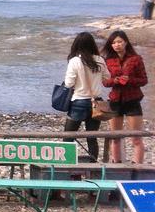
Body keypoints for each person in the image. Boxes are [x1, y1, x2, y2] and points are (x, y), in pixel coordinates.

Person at [62, 31, 110, 162]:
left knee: (68, 136)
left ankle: (66, 163)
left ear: (76, 45)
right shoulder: (100, 60)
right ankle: (93, 164)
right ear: (92, 45)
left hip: (79, 102)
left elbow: (68, 83)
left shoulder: (75, 61)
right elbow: (107, 78)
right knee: (92, 137)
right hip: (97, 103)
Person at [101, 30, 148, 163]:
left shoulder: (136, 59)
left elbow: (144, 80)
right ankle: (117, 164)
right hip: (115, 100)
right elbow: (105, 82)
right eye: (114, 42)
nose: (117, 45)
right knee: (115, 137)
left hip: (133, 100)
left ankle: (138, 166)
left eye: (119, 42)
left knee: (136, 137)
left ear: (126, 42)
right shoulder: (108, 61)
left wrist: (130, 80)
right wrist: (115, 80)